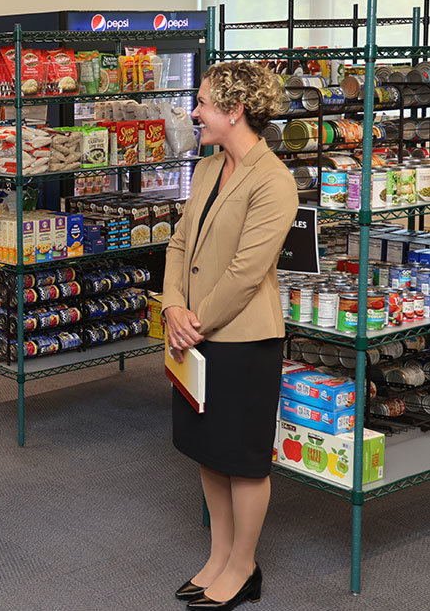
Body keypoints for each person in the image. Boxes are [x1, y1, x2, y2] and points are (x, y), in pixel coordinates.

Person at [162, 61, 296, 610]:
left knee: (242, 459)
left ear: (234, 111)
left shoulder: (274, 180)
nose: (194, 112)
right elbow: (177, 243)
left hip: (241, 340)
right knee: (207, 451)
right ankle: (218, 556)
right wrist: (171, 305)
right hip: (191, 333)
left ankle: (244, 566)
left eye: (202, 103)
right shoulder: (204, 170)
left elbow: (246, 270)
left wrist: (193, 321)